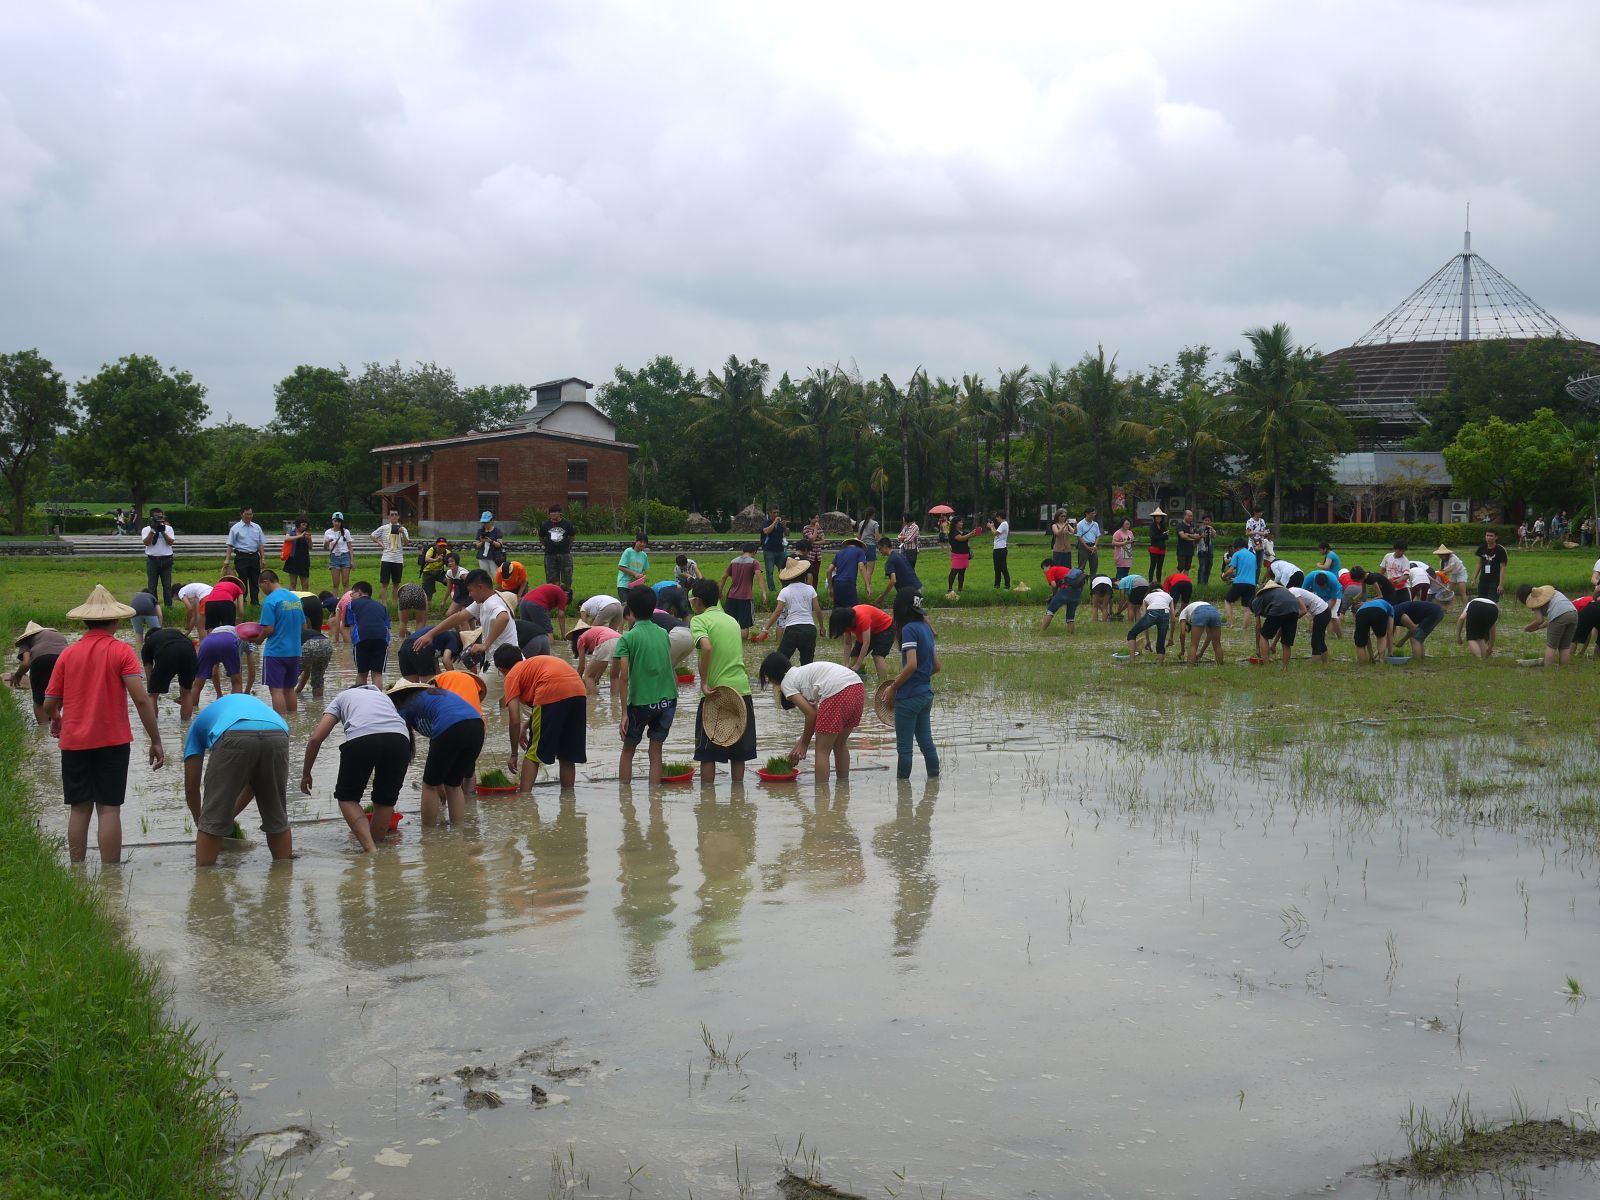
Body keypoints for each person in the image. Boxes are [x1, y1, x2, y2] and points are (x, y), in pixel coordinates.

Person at [43, 586, 164, 858]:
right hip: (113, 741)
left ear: (86, 621)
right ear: (116, 620)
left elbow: (49, 702)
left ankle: (77, 871)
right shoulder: (122, 652)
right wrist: (156, 740)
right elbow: (141, 700)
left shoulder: (68, 654)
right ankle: (112, 876)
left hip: (74, 741)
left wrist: (57, 718)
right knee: (109, 808)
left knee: (79, 808)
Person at [182, 692, 290, 867]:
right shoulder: (242, 706)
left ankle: (205, 880)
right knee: (277, 817)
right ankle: (283, 876)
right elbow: (254, 784)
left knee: (212, 822)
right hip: (278, 731)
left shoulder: (196, 727)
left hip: (233, 733)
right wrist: (229, 815)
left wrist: (202, 821)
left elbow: (191, 787)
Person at [301, 683, 411, 852]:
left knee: (347, 798)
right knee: (385, 800)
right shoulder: (383, 697)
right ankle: (379, 851)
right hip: (400, 741)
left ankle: (370, 849)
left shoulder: (342, 696)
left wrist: (306, 773)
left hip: (362, 737)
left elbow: (316, 738)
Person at [387, 679, 485, 825]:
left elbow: (399, 740)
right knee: (454, 784)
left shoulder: (406, 706)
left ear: (397, 699)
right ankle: (458, 831)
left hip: (451, 727)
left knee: (429, 785)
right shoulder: (434, 695)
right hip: (477, 727)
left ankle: (429, 834)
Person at [688, 579, 757, 782]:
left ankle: (707, 797)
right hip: (742, 690)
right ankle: (738, 794)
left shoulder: (699, 620)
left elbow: (707, 647)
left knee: (707, 753)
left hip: (715, 692)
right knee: (739, 753)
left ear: (697, 601)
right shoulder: (732, 620)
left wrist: (703, 683)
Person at [759, 653, 865, 781]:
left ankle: (821, 791)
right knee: (840, 744)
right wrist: (799, 746)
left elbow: (811, 714)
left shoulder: (786, 683)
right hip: (857, 686)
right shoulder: (801, 674)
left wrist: (804, 745)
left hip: (837, 691)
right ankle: (843, 788)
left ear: (772, 676)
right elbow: (816, 715)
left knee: (822, 751)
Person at [495, 645, 588, 789]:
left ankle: (524, 797)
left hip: (551, 690)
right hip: (578, 691)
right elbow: (547, 708)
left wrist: (514, 754)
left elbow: (514, 720)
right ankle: (568, 798)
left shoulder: (511, 675)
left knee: (533, 752)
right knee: (567, 754)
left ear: (501, 669)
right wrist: (527, 726)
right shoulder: (531, 665)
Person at [614, 587, 678, 784]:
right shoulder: (663, 633)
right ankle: (655, 798)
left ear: (631, 611)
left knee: (628, 751)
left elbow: (623, 678)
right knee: (656, 751)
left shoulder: (627, 638)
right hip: (667, 701)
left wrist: (624, 713)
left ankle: (625, 798)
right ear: (653, 608)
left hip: (640, 703)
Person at [880, 591, 939, 780]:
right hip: (926, 694)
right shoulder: (926, 628)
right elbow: (936, 666)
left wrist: (894, 687)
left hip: (909, 697)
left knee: (905, 749)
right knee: (926, 743)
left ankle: (903, 791)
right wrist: (917, 678)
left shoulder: (909, 630)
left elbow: (912, 665)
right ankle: (934, 783)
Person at [413, 569, 517, 668]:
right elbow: (459, 617)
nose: (470, 595)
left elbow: (503, 618)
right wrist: (430, 634)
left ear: (480, 587)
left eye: (470, 591)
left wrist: (485, 645)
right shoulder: (484, 601)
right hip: (501, 660)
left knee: (478, 682)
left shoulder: (492, 603)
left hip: (502, 662)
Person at [255, 569, 305, 717]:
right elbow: (304, 626)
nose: (262, 591)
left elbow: (268, 629)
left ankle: (281, 722)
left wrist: (258, 640)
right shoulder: (295, 599)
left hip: (276, 652)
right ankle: (294, 721)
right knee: (289, 689)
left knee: (276, 690)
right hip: (294, 651)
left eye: (261, 587)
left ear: (266, 582)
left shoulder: (270, 601)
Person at [759, 557, 823, 663]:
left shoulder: (785, 591)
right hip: (809, 629)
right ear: (804, 574)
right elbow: (818, 610)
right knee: (807, 662)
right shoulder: (810, 589)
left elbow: (777, 612)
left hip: (793, 629)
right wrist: (821, 627)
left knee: (781, 660)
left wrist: (765, 629)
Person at [12, 622, 69, 723]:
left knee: (39, 700)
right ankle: (55, 723)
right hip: (65, 660)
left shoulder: (26, 640)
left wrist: (18, 675)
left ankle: (43, 729)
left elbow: (26, 663)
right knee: (59, 694)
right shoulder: (58, 635)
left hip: (41, 660)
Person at [830, 602, 895, 680]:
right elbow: (847, 643)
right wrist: (846, 664)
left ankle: (883, 682)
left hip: (885, 628)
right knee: (855, 656)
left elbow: (866, 643)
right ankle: (861, 678)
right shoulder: (846, 623)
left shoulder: (863, 618)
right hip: (870, 630)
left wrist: (858, 665)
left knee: (877, 656)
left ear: (850, 621)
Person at [1518, 584, 1579, 667]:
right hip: (1573, 613)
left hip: (1559, 616)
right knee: (1565, 646)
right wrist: (1538, 628)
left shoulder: (1533, 599)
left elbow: (1540, 620)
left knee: (1551, 646)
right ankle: (1564, 669)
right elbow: (1553, 619)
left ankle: (1548, 669)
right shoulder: (1553, 592)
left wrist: (1527, 627)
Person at [344, 580, 391, 685]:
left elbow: (352, 628)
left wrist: (353, 644)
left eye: (352, 593)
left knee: (362, 674)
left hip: (362, 639)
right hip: (381, 640)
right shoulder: (382, 607)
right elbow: (387, 627)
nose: (351, 596)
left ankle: (362, 695)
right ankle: (378, 695)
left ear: (359, 592)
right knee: (377, 674)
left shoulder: (351, 605)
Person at [1250, 579, 1303, 666]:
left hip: (1279, 606)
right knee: (1286, 642)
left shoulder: (1255, 601)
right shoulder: (1278, 591)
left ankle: (1266, 664)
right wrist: (1274, 644)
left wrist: (1258, 647)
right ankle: (1285, 668)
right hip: (1294, 608)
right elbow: (1281, 627)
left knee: (1264, 636)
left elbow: (1258, 627)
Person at [191, 623, 244, 708]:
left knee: (197, 683)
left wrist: (219, 694)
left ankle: (192, 712)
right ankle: (235, 710)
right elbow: (239, 670)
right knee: (236, 681)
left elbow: (214, 672)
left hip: (207, 643)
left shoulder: (217, 631)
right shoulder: (243, 636)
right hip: (228, 641)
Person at [224, 506, 266, 610]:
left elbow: (260, 544)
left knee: (255, 580)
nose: (249, 516)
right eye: (247, 514)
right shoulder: (235, 528)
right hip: (241, 557)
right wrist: (227, 559)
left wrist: (263, 558)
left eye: (251, 514)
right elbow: (230, 545)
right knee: (242, 580)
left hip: (254, 557)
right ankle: (242, 601)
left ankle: (255, 602)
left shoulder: (257, 527)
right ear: (241, 514)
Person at [720, 544, 764, 639]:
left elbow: (724, 577)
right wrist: (764, 593)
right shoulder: (754, 562)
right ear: (754, 552)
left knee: (730, 621)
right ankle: (743, 641)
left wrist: (719, 591)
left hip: (731, 595)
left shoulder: (733, 561)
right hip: (745, 596)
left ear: (743, 551)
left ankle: (730, 638)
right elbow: (759, 577)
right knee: (744, 624)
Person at [295, 594, 334, 700]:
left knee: (287, 679)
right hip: (326, 644)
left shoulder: (294, 634)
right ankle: (318, 704)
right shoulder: (312, 631)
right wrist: (297, 691)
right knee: (318, 679)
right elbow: (307, 672)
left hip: (309, 644)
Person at [371, 508, 410, 608]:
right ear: (388, 517)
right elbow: (372, 535)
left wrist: (403, 533)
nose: (394, 516)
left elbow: (406, 543)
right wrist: (380, 543)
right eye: (392, 514)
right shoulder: (384, 528)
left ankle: (394, 604)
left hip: (398, 559)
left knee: (396, 583)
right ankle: (384, 604)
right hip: (386, 558)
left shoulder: (403, 528)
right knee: (384, 583)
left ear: (398, 516)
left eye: (396, 514)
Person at [571, 620, 623, 696]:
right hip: (621, 641)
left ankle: (592, 701)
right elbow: (604, 663)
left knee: (588, 675)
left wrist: (577, 684)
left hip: (606, 641)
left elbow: (581, 667)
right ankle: (615, 700)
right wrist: (597, 678)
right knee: (615, 676)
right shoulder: (596, 632)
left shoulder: (580, 639)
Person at [1127, 579, 1173, 661]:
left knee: (1131, 634)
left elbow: (1144, 617)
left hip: (1152, 613)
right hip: (1165, 614)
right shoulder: (1168, 596)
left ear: (1150, 590)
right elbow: (1173, 618)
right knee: (1160, 644)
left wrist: (1147, 640)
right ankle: (1160, 666)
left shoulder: (1148, 597)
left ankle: (1132, 660)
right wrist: (1171, 637)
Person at [538, 503, 577, 599]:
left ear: (560, 513)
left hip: (564, 554)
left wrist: (567, 545)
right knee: (552, 578)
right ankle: (554, 597)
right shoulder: (545, 524)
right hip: (550, 555)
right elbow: (541, 537)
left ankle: (566, 597)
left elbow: (572, 536)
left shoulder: (567, 524)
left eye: (555, 512)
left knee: (567, 577)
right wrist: (547, 545)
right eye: (551, 512)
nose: (552, 514)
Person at [1287, 583, 1334, 663]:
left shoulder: (1293, 592)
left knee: (1316, 641)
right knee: (1320, 640)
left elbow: (1304, 610)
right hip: (1323, 611)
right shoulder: (1292, 592)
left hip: (1322, 612)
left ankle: (1315, 665)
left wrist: (1291, 620)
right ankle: (1324, 663)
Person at [141, 507, 177, 606]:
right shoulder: (146, 529)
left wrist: (163, 532)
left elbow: (170, 542)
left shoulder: (168, 528)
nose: (159, 519)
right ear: (151, 518)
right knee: (152, 586)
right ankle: (154, 607)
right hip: (152, 560)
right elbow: (146, 543)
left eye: (161, 517)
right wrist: (152, 531)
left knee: (167, 585)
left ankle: (168, 606)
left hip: (166, 560)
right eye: (156, 517)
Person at [1039, 558, 1085, 634]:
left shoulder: (1050, 570)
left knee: (1050, 612)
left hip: (1065, 591)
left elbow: (1053, 585)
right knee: (1070, 618)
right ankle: (1071, 635)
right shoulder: (1063, 569)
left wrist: (1054, 595)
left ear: (1048, 566)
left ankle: (1041, 633)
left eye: (1043, 568)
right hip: (1077, 593)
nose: (1043, 571)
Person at [873, 536, 922, 606]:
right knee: (913, 611)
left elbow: (893, 580)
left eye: (880, 548)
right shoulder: (900, 555)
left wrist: (882, 596)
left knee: (905, 611)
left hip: (910, 592)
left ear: (885, 546)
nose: (880, 551)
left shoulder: (890, 561)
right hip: (918, 587)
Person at [1176, 600, 1225, 665]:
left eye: (1186, 629)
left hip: (1200, 611)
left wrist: (1182, 650)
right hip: (1214, 611)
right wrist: (1201, 653)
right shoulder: (1191, 609)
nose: (1186, 630)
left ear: (1187, 623)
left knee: (1193, 645)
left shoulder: (1182, 613)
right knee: (1217, 644)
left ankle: (1190, 668)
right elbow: (1209, 636)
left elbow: (1182, 634)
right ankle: (1220, 666)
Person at [1222, 538, 1258, 625]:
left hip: (1239, 582)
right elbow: (1254, 569)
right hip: (1251, 584)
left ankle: (1230, 623)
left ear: (1237, 547)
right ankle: (1244, 628)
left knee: (1227, 600)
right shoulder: (1253, 556)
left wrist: (1224, 576)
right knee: (1247, 607)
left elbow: (1231, 570)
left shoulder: (1237, 554)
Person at [1352, 592, 1395, 664]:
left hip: (1361, 613)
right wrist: (1390, 652)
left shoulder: (1367, 604)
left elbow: (1367, 637)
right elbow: (1389, 633)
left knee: (1360, 643)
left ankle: (1364, 663)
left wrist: (1372, 655)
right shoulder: (1390, 607)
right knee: (1381, 636)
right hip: (1378, 611)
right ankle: (1381, 660)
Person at [830, 537, 869, 608]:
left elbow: (829, 570)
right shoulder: (860, 551)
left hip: (837, 584)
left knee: (838, 610)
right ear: (859, 546)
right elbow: (861, 567)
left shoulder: (839, 553)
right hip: (848, 583)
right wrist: (867, 585)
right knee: (853, 609)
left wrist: (830, 588)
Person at [324, 512, 354, 594]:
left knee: (345, 582)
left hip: (345, 556)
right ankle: (335, 600)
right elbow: (326, 548)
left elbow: (350, 547)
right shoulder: (328, 532)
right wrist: (327, 542)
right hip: (334, 557)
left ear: (341, 522)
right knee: (335, 584)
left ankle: (346, 600)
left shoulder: (346, 532)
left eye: (339, 521)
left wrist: (352, 560)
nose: (337, 523)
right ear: (332, 521)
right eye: (335, 521)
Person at [1473, 530, 1508, 600]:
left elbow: (1502, 567)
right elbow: (1479, 563)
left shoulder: (1500, 550)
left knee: (1492, 601)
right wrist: (1474, 578)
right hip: (1483, 579)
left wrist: (1501, 584)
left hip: (1495, 580)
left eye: (1491, 536)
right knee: (1481, 600)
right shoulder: (1482, 548)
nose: (1488, 537)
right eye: (1487, 535)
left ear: (1496, 537)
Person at [760, 506, 787, 593]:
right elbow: (766, 531)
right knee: (770, 571)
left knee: (783, 569)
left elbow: (787, 533)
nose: (776, 514)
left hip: (780, 550)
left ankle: (785, 588)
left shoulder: (780, 523)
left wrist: (785, 527)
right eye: (774, 512)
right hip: (769, 550)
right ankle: (772, 590)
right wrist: (774, 522)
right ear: (770, 513)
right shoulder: (766, 522)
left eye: (777, 512)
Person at [616, 532, 650, 602]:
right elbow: (620, 567)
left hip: (636, 586)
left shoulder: (644, 555)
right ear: (636, 541)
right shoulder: (628, 551)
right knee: (626, 604)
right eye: (641, 542)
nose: (642, 544)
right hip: (624, 585)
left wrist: (642, 576)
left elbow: (644, 570)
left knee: (636, 605)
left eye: (644, 542)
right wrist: (635, 574)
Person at [945, 518, 975, 597]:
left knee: (962, 572)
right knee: (954, 571)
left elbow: (967, 540)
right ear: (955, 523)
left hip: (964, 554)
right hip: (957, 555)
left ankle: (960, 588)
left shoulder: (963, 532)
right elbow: (961, 539)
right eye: (960, 522)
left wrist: (970, 550)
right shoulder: (953, 532)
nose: (962, 523)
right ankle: (950, 588)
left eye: (962, 522)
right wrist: (970, 534)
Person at [283, 517, 313, 590]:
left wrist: (309, 539)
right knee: (293, 583)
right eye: (303, 524)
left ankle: (305, 597)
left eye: (306, 525)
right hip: (293, 559)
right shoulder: (291, 531)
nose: (304, 527)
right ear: (298, 524)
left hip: (304, 560)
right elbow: (287, 538)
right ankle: (292, 597)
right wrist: (300, 536)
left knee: (305, 584)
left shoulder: (306, 533)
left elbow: (310, 547)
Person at [420, 537, 450, 607]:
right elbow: (427, 559)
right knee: (428, 592)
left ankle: (455, 601)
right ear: (436, 545)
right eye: (440, 546)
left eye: (443, 546)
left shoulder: (447, 553)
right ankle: (428, 606)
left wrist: (445, 561)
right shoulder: (432, 550)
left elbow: (450, 562)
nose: (442, 548)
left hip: (440, 572)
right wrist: (436, 560)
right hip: (428, 572)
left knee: (450, 582)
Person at [474, 511, 506, 576]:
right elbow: (477, 546)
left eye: (486, 522)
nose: (485, 524)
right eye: (483, 522)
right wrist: (483, 541)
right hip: (482, 557)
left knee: (496, 575)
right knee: (485, 576)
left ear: (491, 521)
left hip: (494, 557)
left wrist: (491, 541)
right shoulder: (480, 531)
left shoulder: (497, 531)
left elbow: (500, 545)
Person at [987, 511, 1011, 589]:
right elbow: (996, 533)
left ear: (1000, 517)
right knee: (997, 568)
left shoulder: (1004, 524)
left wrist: (991, 527)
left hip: (1001, 549)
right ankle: (997, 585)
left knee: (1003, 568)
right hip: (997, 548)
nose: (996, 519)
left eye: (997, 517)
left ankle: (1007, 585)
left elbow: (994, 533)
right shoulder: (1003, 524)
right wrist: (993, 526)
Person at [859, 509, 882, 588]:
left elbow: (859, 536)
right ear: (873, 514)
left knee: (864, 570)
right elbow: (877, 537)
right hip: (870, 547)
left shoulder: (861, 523)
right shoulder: (875, 523)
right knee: (869, 571)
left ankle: (867, 587)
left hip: (862, 547)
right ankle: (868, 589)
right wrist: (880, 546)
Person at [1144, 508, 1167, 580]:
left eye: (1160, 516)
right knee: (1153, 566)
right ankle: (1150, 581)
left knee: (1160, 567)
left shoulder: (1163, 525)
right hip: (1154, 549)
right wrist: (1162, 535)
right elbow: (1153, 537)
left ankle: (1158, 582)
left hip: (1162, 549)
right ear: (1154, 517)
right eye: (1157, 516)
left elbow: (1166, 536)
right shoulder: (1152, 526)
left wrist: (1161, 536)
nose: (1158, 518)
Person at [1195, 515, 1216, 584]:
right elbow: (1195, 540)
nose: (1207, 522)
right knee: (1202, 567)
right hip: (1202, 550)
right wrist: (1201, 536)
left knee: (1209, 566)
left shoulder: (1211, 529)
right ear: (1203, 521)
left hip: (1210, 550)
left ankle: (1205, 583)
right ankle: (1200, 583)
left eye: (1208, 520)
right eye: (1205, 520)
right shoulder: (1199, 529)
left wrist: (1211, 529)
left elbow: (1214, 536)